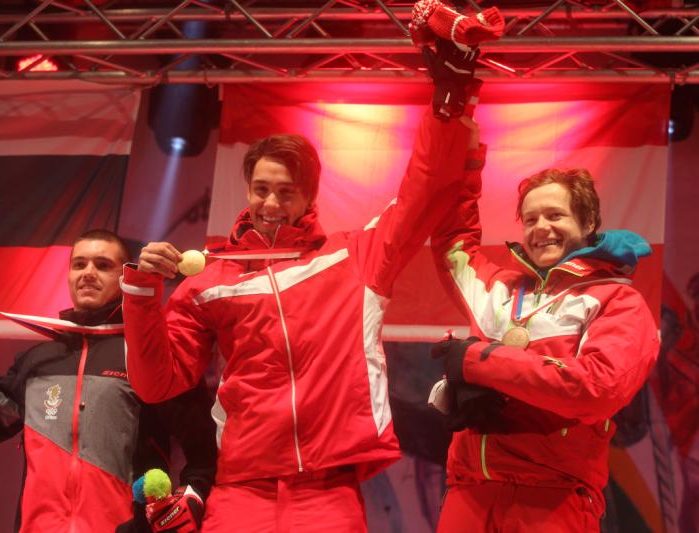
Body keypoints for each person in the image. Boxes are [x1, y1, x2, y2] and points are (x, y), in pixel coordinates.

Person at [117, 7, 507, 525]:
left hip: (327, 488)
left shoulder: (353, 257)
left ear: (309, 198)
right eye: (261, 189)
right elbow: (157, 384)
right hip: (240, 486)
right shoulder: (211, 279)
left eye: (286, 191)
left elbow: (424, 189)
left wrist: (450, 96)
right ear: (247, 191)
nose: (271, 203)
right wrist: (142, 292)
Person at [427, 118, 660, 530]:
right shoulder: (497, 289)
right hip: (469, 492)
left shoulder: (618, 301)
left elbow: (595, 390)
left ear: (588, 224)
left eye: (555, 215)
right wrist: (466, 158)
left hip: (552, 497)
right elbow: (451, 240)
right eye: (531, 219)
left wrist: (480, 361)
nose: (541, 229)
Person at [0, 229, 217, 533]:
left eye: (103, 265)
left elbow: (205, 450)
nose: (88, 273)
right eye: (79, 264)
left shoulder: (147, 355)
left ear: (124, 277)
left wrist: (192, 497)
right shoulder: (38, 360)